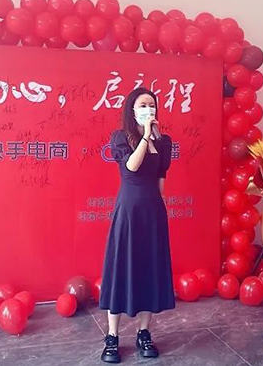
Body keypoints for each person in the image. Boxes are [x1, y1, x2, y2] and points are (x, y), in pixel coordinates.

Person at [98, 87, 175, 363]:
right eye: (143, 105)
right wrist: (145, 136)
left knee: (149, 269)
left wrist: (159, 209)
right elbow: (131, 166)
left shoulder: (164, 142)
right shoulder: (121, 137)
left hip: (152, 212)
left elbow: (161, 179)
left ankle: (144, 333)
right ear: (132, 110)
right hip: (128, 210)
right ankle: (112, 337)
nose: (148, 109)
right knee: (122, 268)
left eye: (152, 104)